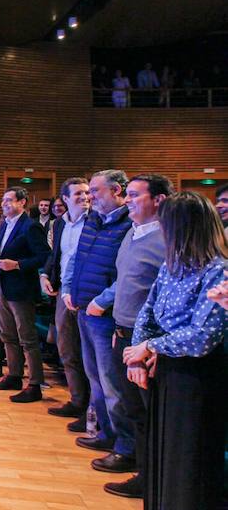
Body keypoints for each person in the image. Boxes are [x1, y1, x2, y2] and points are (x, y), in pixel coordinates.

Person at [123, 192, 227, 509]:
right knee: (161, 457)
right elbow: (148, 312)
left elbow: (202, 338)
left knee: (187, 465)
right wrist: (137, 357)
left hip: (198, 380)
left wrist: (149, 346)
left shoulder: (218, 271)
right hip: (165, 372)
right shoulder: (172, 265)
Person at [88, 174, 173, 497]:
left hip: (147, 341)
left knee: (148, 411)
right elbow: (125, 282)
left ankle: (150, 478)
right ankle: (138, 464)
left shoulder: (168, 240)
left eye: (136, 195)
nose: (129, 201)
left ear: (159, 201)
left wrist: (146, 345)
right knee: (132, 407)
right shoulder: (132, 234)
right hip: (122, 332)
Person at [61, 170, 133, 454]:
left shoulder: (128, 224)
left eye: (95, 191)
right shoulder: (93, 219)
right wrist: (68, 288)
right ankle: (104, 432)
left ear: (116, 191)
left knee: (111, 382)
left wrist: (103, 301)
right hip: (82, 308)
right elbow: (78, 257)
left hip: (105, 315)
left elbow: (128, 274)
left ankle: (123, 445)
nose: (90, 197)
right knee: (95, 378)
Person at [0, 186, 51, 403]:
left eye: (9, 200)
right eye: (3, 200)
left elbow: (44, 257)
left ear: (22, 202)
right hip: (2, 286)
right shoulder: (5, 224)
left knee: (27, 338)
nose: (4, 204)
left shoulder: (30, 226)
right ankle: (14, 375)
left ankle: (34, 384)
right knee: (7, 335)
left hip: (21, 289)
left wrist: (18, 265)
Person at [40, 178, 91, 429]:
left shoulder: (96, 222)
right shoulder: (60, 223)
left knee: (90, 355)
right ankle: (77, 400)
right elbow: (57, 255)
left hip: (87, 296)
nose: (85, 197)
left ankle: (93, 410)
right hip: (63, 293)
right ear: (66, 199)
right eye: (79, 193)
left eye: (87, 192)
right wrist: (44, 274)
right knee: (67, 348)